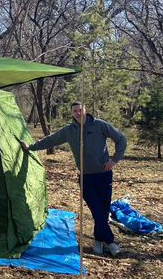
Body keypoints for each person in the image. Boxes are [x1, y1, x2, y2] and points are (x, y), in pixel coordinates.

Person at [20, 102, 127, 256]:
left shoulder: (99, 125)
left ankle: (98, 239)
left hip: (104, 174)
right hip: (85, 177)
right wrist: (30, 147)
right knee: (96, 209)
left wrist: (114, 160)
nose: (78, 113)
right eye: (75, 111)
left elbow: (121, 139)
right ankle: (110, 241)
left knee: (102, 210)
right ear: (72, 114)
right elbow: (50, 140)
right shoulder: (69, 131)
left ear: (85, 110)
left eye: (80, 110)